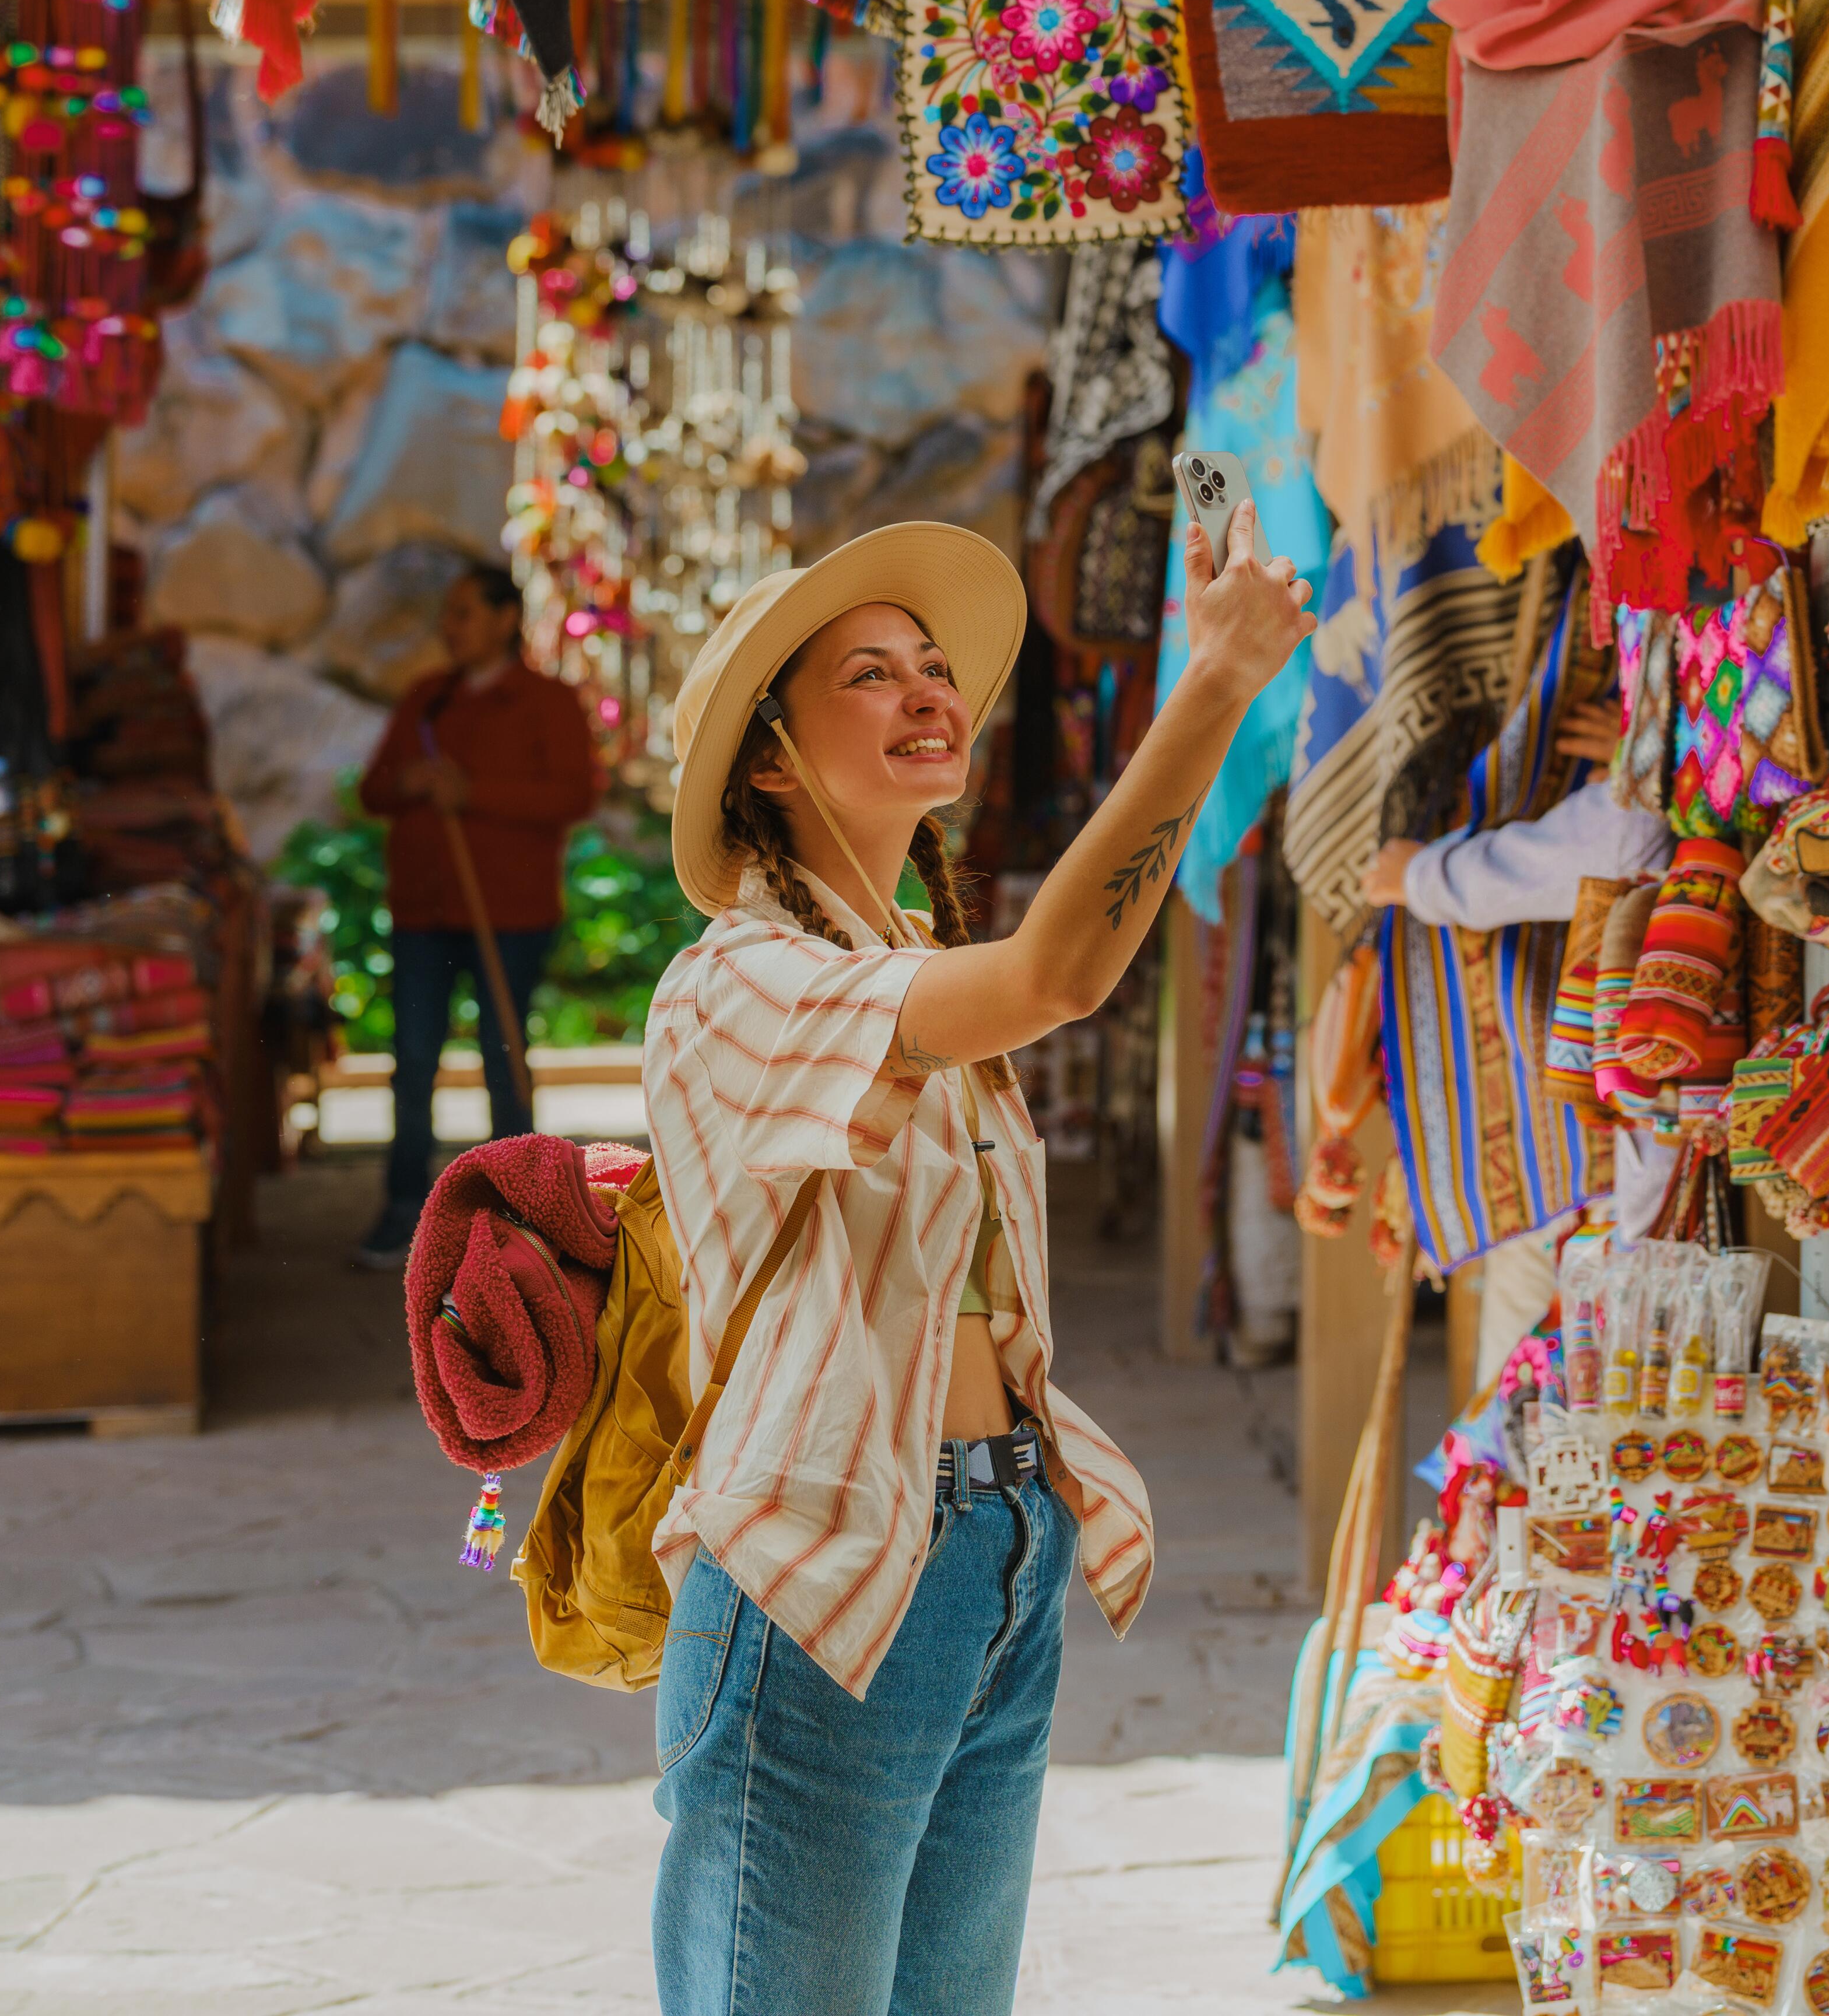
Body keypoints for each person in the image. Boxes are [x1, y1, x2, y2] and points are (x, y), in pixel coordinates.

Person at [643, 502, 1311, 2016]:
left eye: (934, 664)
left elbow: (1033, 981)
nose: (929, 690)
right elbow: (1060, 973)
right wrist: (1206, 688)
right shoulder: (734, 980)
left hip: (994, 1542)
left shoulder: (903, 971)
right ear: (767, 755)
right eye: (869, 673)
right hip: (818, 1561)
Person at [350, 560, 602, 1270]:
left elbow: (572, 798)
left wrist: (473, 792)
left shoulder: (546, 702)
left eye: (464, 613)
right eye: (449, 613)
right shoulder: (427, 700)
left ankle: (521, 1213)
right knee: (415, 1059)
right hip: (424, 911)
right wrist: (411, 783)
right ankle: (404, 1207)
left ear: (503, 619)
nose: (450, 627)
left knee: (501, 1056)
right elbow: (374, 790)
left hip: (509, 913)